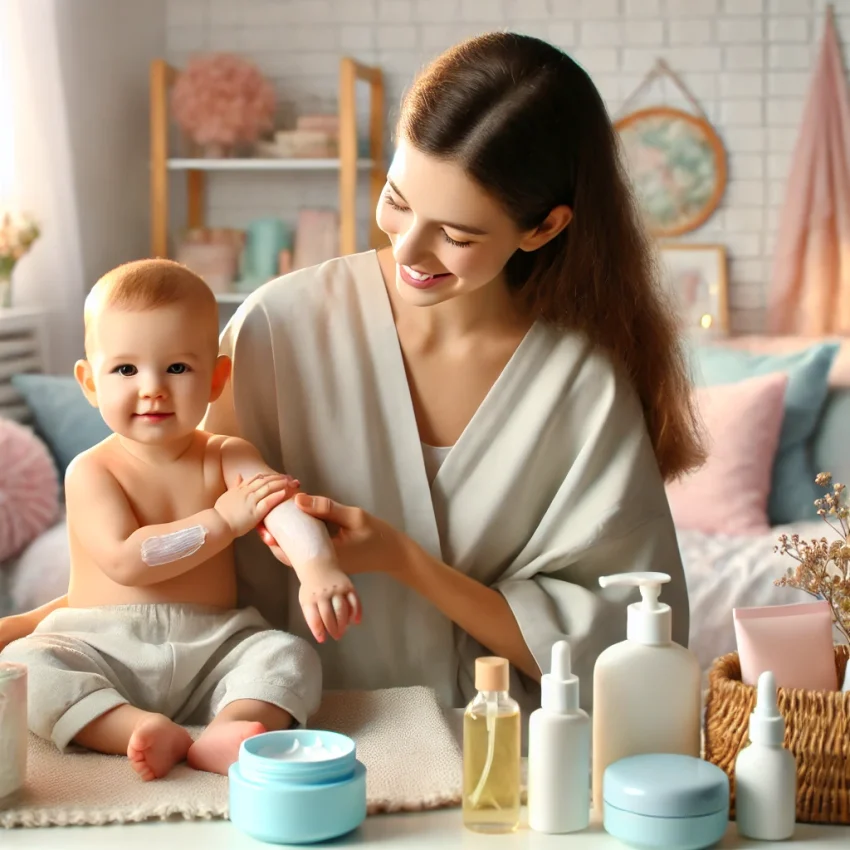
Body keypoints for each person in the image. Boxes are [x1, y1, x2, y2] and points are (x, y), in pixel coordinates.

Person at [3, 31, 703, 719]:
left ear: (543, 228)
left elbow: (628, 633)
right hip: (284, 738)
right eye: (398, 201)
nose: (409, 250)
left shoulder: (579, 385)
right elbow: (176, 572)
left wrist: (405, 560)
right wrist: (41, 627)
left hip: (497, 753)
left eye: (457, 235)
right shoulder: (280, 326)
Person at [0, 259, 360, 780]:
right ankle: (131, 727)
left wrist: (318, 565)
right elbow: (128, 559)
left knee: (286, 655)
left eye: (177, 368)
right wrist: (221, 521)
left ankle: (231, 726)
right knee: (31, 669)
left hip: (214, 642)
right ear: (89, 382)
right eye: (126, 370)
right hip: (100, 644)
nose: (153, 388)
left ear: (215, 379)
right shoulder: (93, 471)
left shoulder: (226, 454)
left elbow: (280, 505)